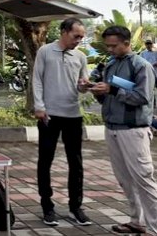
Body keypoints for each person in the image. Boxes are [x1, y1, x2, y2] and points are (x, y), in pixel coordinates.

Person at [90, 25, 157, 236]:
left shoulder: (141, 66)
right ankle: (136, 221)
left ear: (126, 43)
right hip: (112, 127)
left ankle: (156, 230)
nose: (110, 50)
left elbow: (142, 97)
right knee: (125, 179)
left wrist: (113, 89)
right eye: (108, 46)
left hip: (133, 130)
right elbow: (110, 95)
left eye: (114, 46)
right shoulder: (112, 65)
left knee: (144, 179)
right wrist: (96, 89)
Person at [32, 17, 92, 226]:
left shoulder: (81, 56)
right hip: (49, 115)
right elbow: (37, 79)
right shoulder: (45, 51)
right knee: (45, 160)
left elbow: (82, 85)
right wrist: (39, 106)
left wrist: (85, 86)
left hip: (73, 114)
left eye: (81, 37)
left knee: (76, 162)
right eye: (76, 36)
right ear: (64, 32)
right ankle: (47, 206)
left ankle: (76, 207)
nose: (79, 40)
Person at [141, 40, 157, 109]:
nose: (148, 45)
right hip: (148, 74)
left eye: (149, 44)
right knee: (151, 89)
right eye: (147, 44)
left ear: (152, 45)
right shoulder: (143, 53)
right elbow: (140, 63)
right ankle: (153, 104)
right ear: (145, 45)